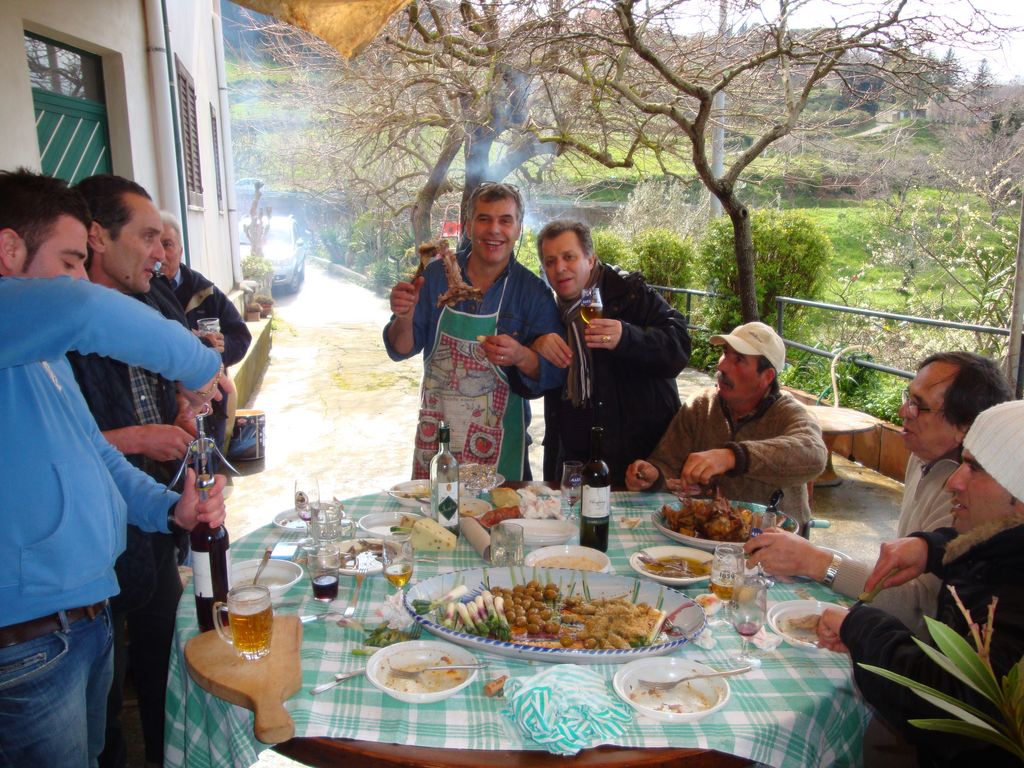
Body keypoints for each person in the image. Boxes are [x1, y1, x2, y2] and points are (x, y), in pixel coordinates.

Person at [0, 169, 226, 768]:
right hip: (24, 640)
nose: (81, 277)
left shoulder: (38, 353)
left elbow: (95, 452)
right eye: (70, 260)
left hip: (83, 619)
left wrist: (169, 510)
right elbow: (82, 308)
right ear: (9, 250)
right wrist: (200, 365)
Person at [68, 174, 200, 767]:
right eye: (147, 237)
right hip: (97, 536)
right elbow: (65, 441)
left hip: (154, 518)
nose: (161, 252)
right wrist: (140, 439)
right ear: (98, 237)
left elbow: (174, 379)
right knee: (99, 703)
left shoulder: (149, 298)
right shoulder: (60, 323)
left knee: (162, 662)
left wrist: (180, 410)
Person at [817, 399, 1024, 768]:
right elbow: (993, 549)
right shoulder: (1003, 549)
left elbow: (951, 703)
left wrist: (859, 626)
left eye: (975, 469)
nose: (954, 481)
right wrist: (933, 547)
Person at [745, 352, 1012, 636]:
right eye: (908, 397)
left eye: (918, 405)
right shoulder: (922, 456)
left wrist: (818, 563)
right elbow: (897, 574)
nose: (903, 411)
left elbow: (922, 612)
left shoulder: (975, 497)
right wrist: (812, 558)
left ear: (964, 427)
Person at [383, 182, 563, 480]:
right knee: (436, 512)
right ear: (468, 226)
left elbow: (553, 375)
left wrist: (520, 356)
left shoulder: (533, 294)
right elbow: (400, 349)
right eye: (484, 219)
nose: (494, 230)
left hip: (501, 456)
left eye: (505, 220)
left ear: (518, 229)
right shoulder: (435, 277)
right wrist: (404, 316)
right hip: (437, 447)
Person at [531, 219, 691, 484]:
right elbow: (529, 385)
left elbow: (679, 348)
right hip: (573, 459)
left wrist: (626, 336)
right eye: (550, 262)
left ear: (590, 259)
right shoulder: (547, 310)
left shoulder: (628, 293)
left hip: (632, 461)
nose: (559, 268)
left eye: (569, 257)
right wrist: (535, 345)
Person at [625, 321, 827, 527]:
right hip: (703, 536)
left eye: (739, 360)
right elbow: (667, 463)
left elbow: (814, 455)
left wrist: (733, 457)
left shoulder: (788, 413)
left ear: (767, 377)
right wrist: (654, 476)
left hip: (776, 539)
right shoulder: (701, 405)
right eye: (725, 353)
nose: (721, 366)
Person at [159, 211, 251, 453]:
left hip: (209, 404)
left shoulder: (204, 291)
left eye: (167, 244)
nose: (160, 253)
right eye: (153, 243)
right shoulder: (141, 293)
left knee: (209, 461)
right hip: (164, 409)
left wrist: (221, 349)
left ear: (180, 250)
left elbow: (241, 336)